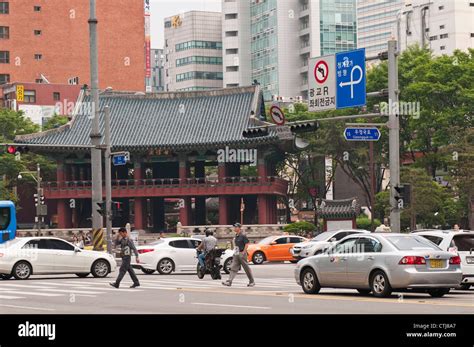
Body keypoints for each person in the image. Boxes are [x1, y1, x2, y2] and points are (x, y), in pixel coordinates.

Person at [222, 223, 255, 287]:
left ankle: (252, 281)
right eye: (234, 227)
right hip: (236, 253)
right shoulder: (236, 236)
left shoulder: (243, 235)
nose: (234, 228)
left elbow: (247, 244)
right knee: (233, 267)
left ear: (239, 228)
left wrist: (243, 252)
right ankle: (229, 281)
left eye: (235, 227)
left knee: (246, 268)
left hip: (242, 253)